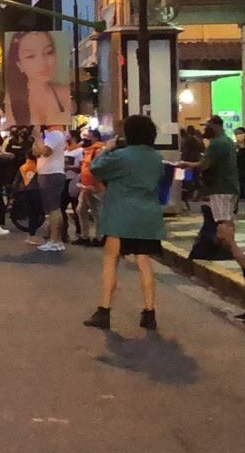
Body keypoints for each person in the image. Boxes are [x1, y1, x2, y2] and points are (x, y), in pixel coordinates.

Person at [83, 114, 164, 331]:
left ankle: (104, 310)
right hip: (147, 214)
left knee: (110, 260)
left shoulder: (121, 155)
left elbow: (96, 168)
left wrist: (107, 149)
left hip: (121, 214)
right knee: (144, 262)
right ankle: (150, 312)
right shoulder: (155, 157)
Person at [177, 115, 239, 231]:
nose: (205, 130)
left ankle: (227, 246)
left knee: (222, 221)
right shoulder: (228, 141)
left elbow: (203, 165)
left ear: (216, 126)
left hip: (220, 187)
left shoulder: (216, 144)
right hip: (231, 185)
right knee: (228, 219)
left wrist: (186, 164)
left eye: (208, 127)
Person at [4, 31, 67, 127]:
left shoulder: (65, 95)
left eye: (48, 52)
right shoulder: (10, 101)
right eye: (30, 56)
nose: (42, 62)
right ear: (19, 64)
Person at [32, 124, 69, 253]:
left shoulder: (55, 135)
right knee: (52, 207)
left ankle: (55, 240)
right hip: (47, 173)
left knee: (53, 208)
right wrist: (38, 140)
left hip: (51, 173)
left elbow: (46, 152)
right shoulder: (49, 136)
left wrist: (37, 138)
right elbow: (36, 152)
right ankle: (55, 239)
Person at [73, 129, 107, 246]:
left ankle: (99, 237)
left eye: (88, 136)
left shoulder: (99, 150)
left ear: (95, 138)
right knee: (81, 209)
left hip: (95, 186)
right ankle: (85, 235)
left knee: (96, 211)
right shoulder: (88, 151)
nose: (85, 139)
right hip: (85, 185)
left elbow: (100, 167)